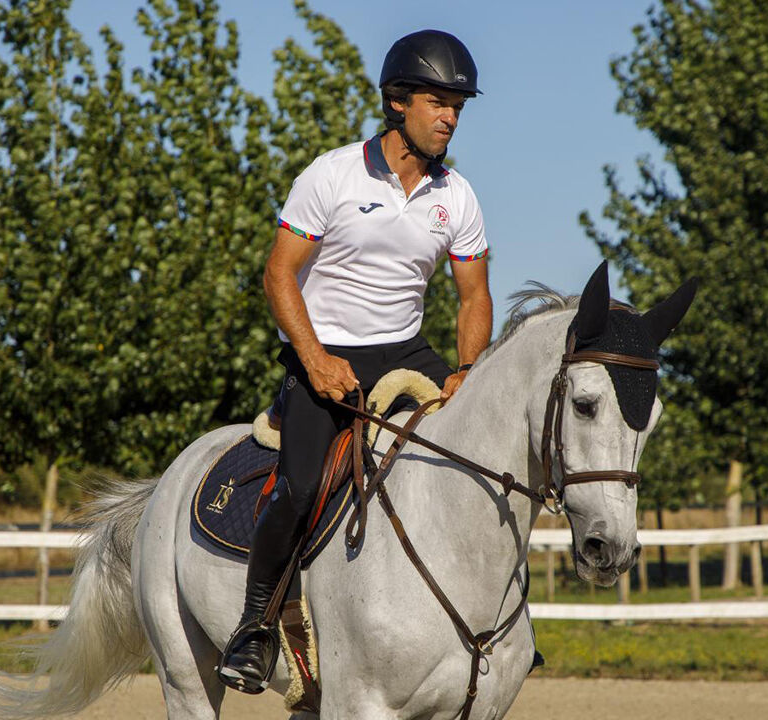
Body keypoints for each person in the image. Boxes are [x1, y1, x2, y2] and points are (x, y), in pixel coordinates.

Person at [217, 29, 493, 693]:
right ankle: (254, 628)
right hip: (325, 352)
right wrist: (312, 360)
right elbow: (278, 273)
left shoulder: (458, 196)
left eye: (458, 104)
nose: (450, 116)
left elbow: (474, 295)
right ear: (398, 100)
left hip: (405, 350)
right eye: (437, 101)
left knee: (473, 459)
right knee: (304, 486)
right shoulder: (332, 174)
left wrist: (466, 369)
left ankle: (489, 621)